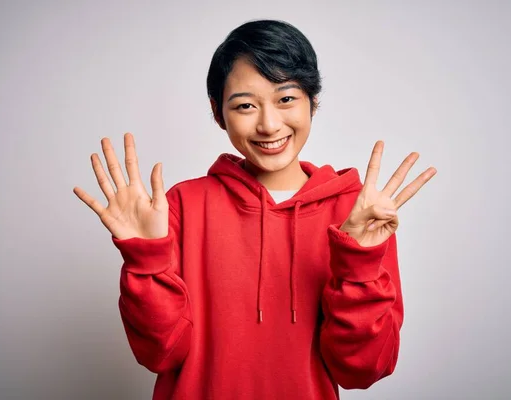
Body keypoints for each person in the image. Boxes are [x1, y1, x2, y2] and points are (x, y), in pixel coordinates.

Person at [73, 19, 436, 400]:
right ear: (218, 113)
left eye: (286, 99)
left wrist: (359, 261)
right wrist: (145, 259)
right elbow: (160, 353)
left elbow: (363, 369)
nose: (268, 124)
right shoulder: (179, 206)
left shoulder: (357, 213)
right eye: (245, 105)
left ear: (313, 101)